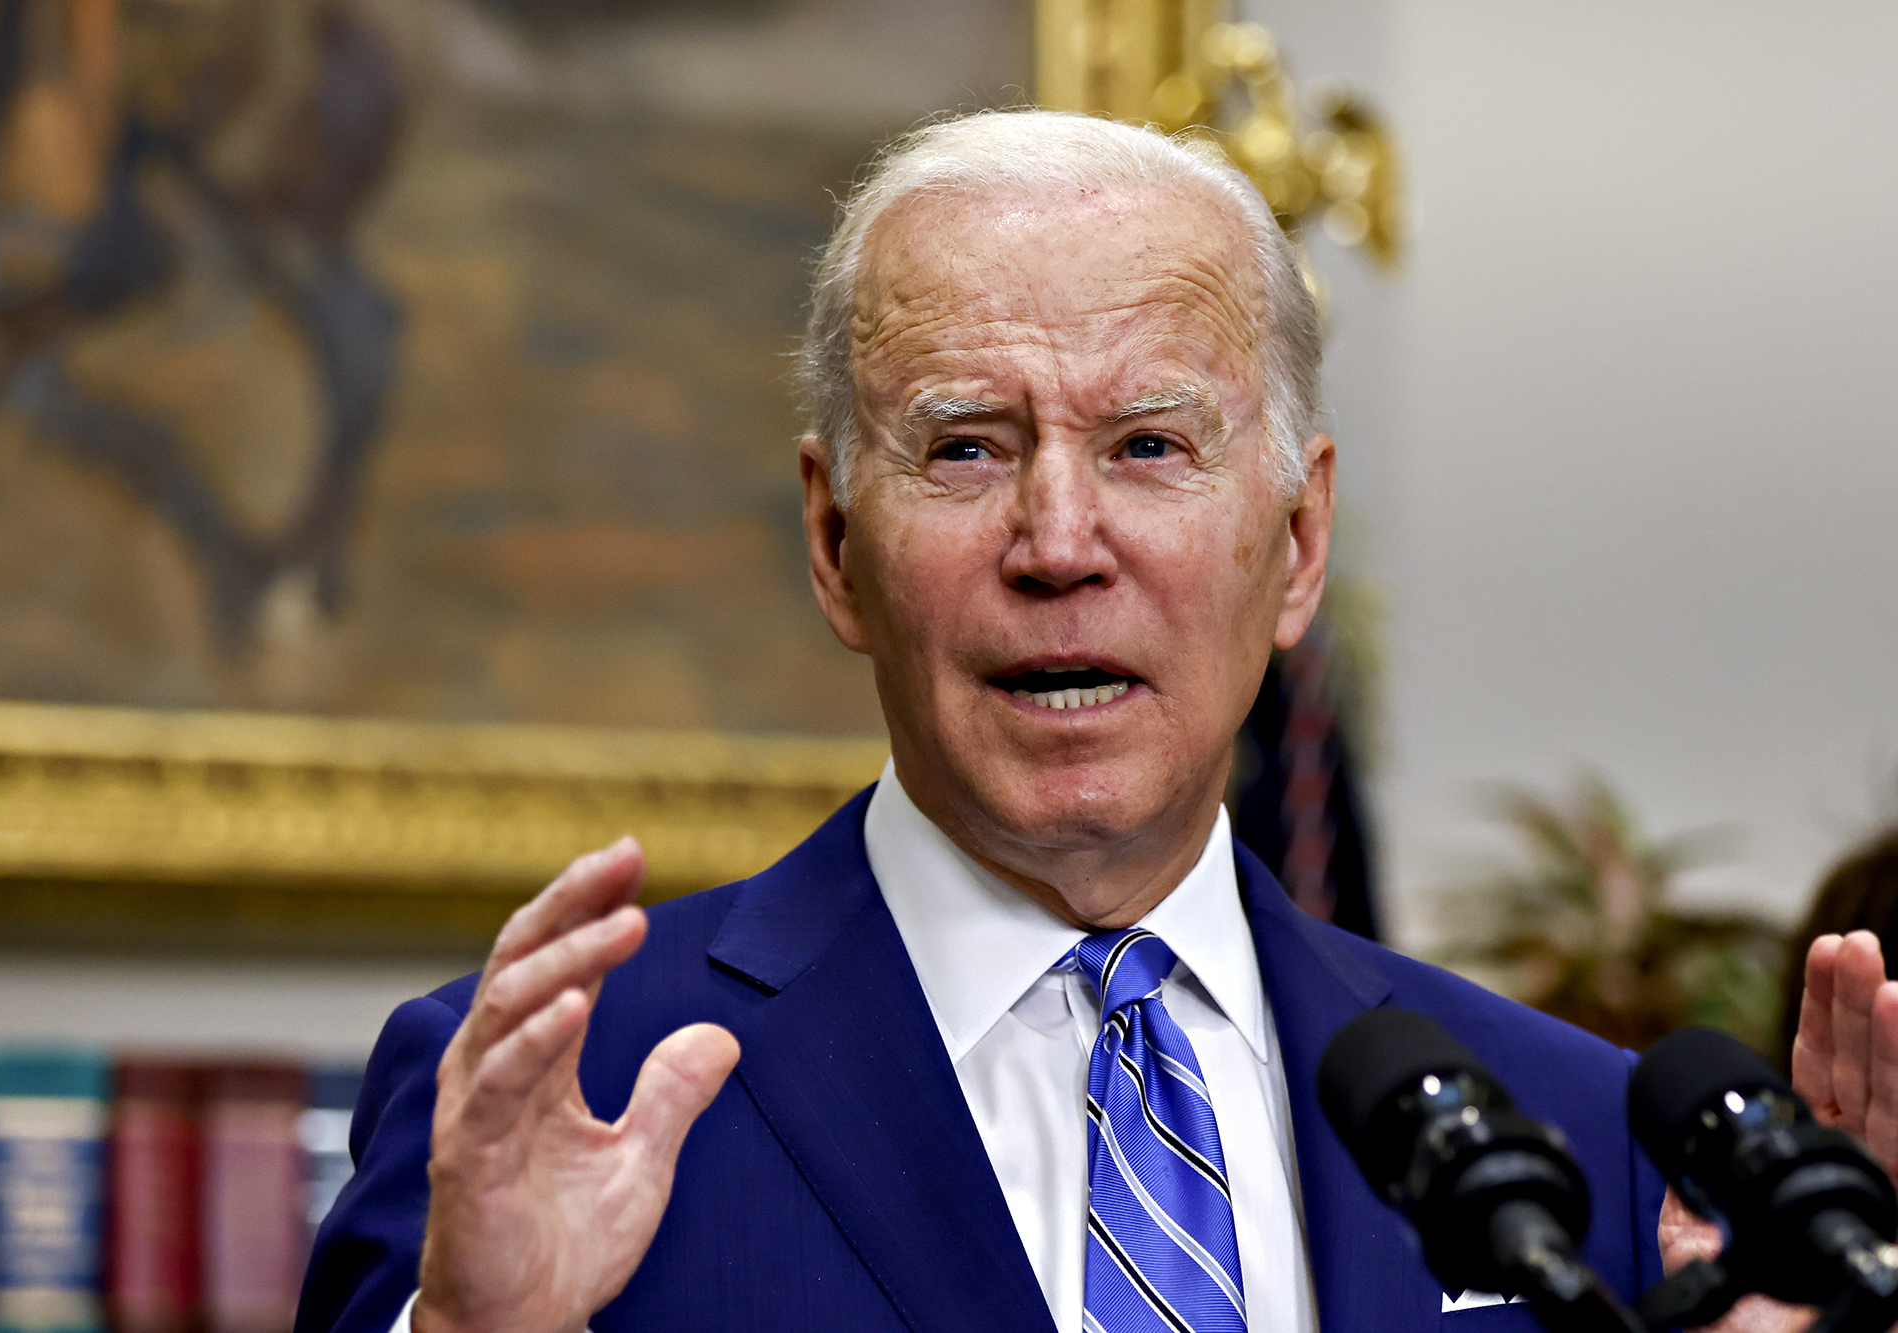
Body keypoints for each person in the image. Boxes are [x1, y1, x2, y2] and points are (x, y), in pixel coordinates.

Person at [293, 109, 1898, 1333]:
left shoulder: (1566, 1133)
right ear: (834, 539)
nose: (1060, 542)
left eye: (1148, 445)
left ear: (1298, 540)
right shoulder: (559, 1092)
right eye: (968, 448)